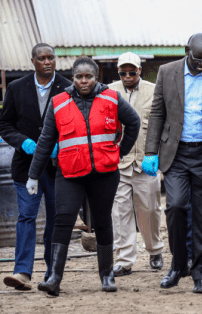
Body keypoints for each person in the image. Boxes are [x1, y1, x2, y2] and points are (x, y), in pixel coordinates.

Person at [27, 56, 140, 296]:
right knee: (63, 219)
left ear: (96, 77)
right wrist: (33, 175)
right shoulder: (58, 102)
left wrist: (119, 152)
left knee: (102, 221)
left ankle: (107, 275)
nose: (84, 81)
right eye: (79, 77)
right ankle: (54, 278)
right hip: (69, 172)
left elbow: (134, 122)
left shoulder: (111, 97)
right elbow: (46, 140)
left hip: (104, 173)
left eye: (88, 76)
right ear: (73, 78)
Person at [142, 33, 202, 294]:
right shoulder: (167, 72)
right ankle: (178, 264)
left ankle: (201, 274)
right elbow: (158, 111)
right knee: (177, 207)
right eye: (197, 60)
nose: (201, 65)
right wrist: (151, 151)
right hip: (176, 153)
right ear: (186, 51)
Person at [0, 43, 71, 291]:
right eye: (42, 58)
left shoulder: (68, 88)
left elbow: (77, 124)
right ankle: (22, 273)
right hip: (25, 166)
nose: (48, 62)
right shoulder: (17, 88)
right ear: (33, 61)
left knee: (55, 218)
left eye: (51, 57)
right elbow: (5, 125)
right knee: (27, 216)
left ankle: (53, 273)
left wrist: (60, 145)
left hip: (57, 168)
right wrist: (24, 143)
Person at [109, 52, 164, 276]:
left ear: (140, 71)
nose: (128, 76)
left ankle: (154, 250)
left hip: (146, 162)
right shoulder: (109, 91)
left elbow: (162, 123)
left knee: (149, 210)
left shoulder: (154, 90)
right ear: (119, 73)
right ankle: (124, 260)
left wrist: (158, 153)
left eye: (132, 72)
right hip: (118, 162)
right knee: (120, 212)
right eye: (123, 72)